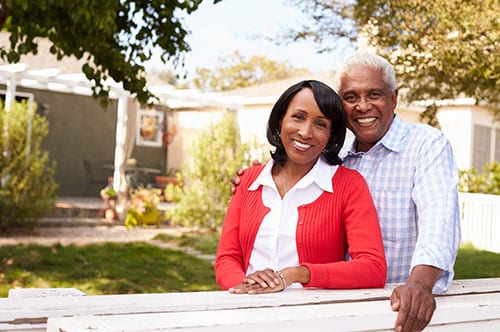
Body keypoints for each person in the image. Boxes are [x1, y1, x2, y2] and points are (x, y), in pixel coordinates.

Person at [231, 53, 461, 332]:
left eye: (374, 94)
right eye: (350, 97)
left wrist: (419, 285)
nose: (363, 106)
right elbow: (291, 171)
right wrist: (255, 179)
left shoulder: (426, 145)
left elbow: (439, 221)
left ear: (394, 98)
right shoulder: (332, 153)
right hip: (335, 306)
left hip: (403, 305)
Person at [215, 79, 387, 294]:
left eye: (320, 124)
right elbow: (227, 257)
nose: (306, 132)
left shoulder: (348, 185)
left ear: (331, 135)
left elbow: (373, 268)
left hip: (310, 316)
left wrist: (295, 274)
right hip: (245, 310)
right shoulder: (249, 181)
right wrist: (245, 287)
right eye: (298, 117)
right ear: (280, 120)